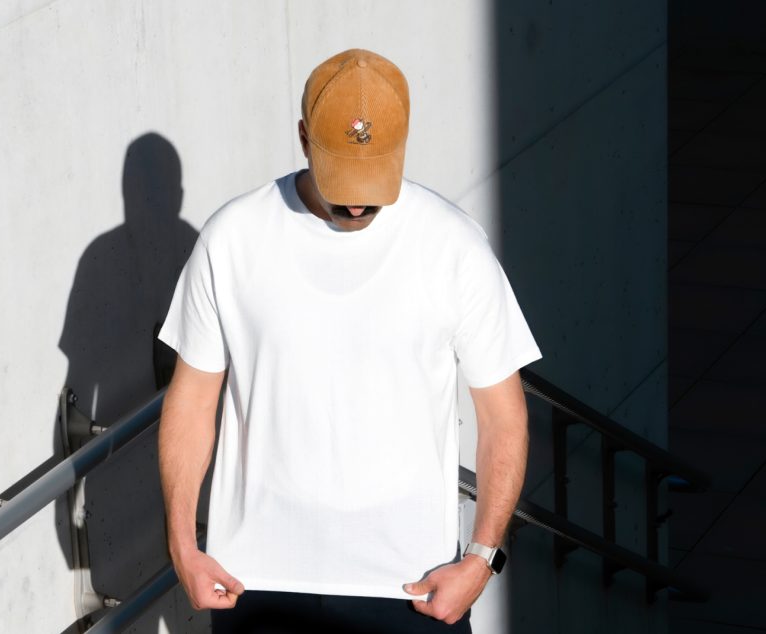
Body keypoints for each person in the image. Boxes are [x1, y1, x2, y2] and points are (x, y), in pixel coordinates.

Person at [157, 48, 542, 634]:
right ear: (303, 137)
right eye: (342, 176)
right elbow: (191, 401)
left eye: (373, 177)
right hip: (259, 585)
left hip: (413, 588)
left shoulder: (454, 247)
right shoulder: (232, 239)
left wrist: (482, 559)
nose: (358, 200)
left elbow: (504, 418)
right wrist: (182, 544)